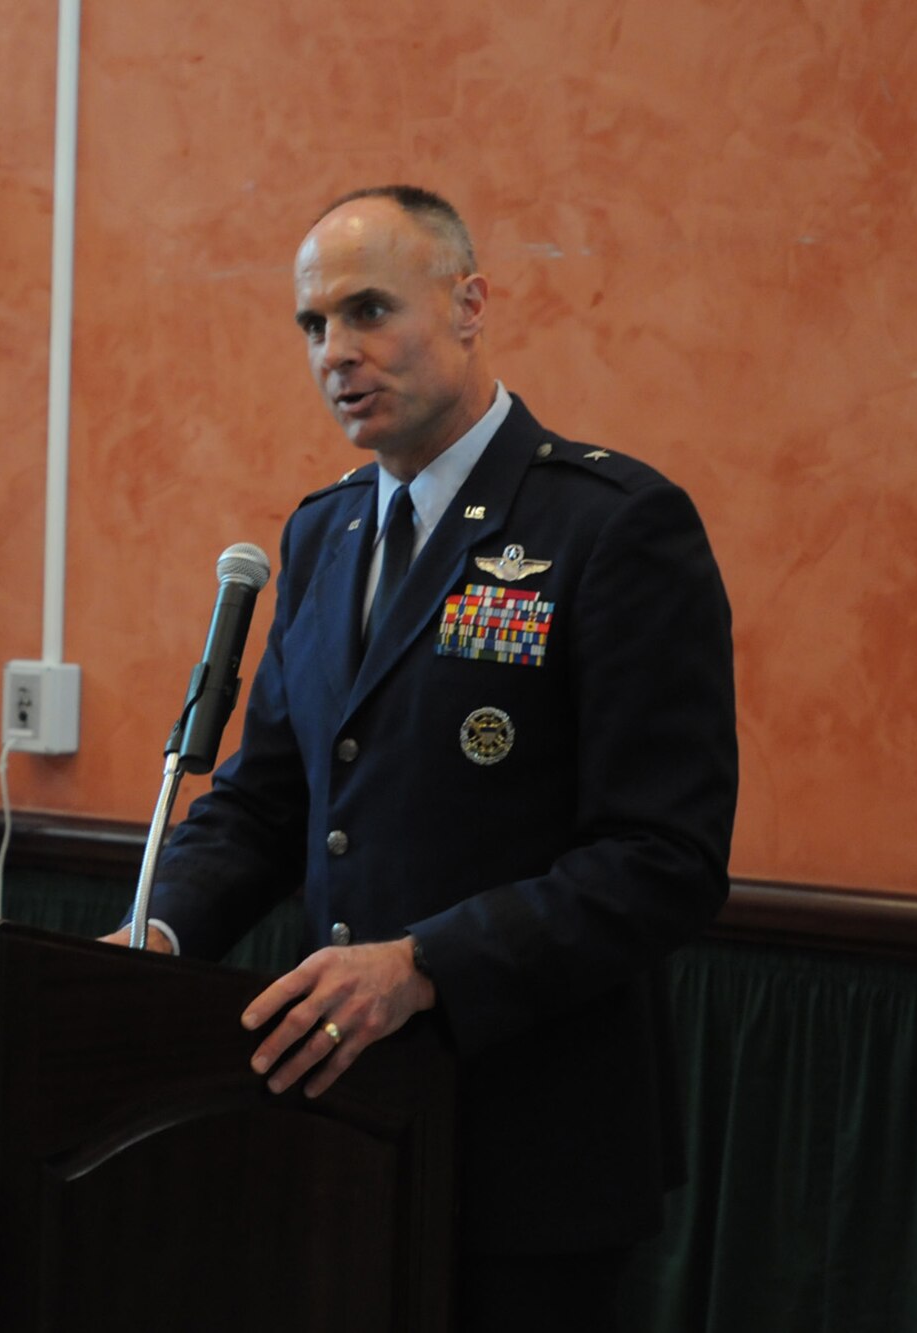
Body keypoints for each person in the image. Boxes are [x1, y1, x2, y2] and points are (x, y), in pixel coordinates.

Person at [107, 186, 738, 1330]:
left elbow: (664, 858)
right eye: (310, 326)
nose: (334, 353)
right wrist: (161, 928)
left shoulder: (608, 525)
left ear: (466, 305)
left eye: (366, 310)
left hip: (531, 1150)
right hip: (339, 1122)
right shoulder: (323, 529)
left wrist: (426, 963)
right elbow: (267, 798)